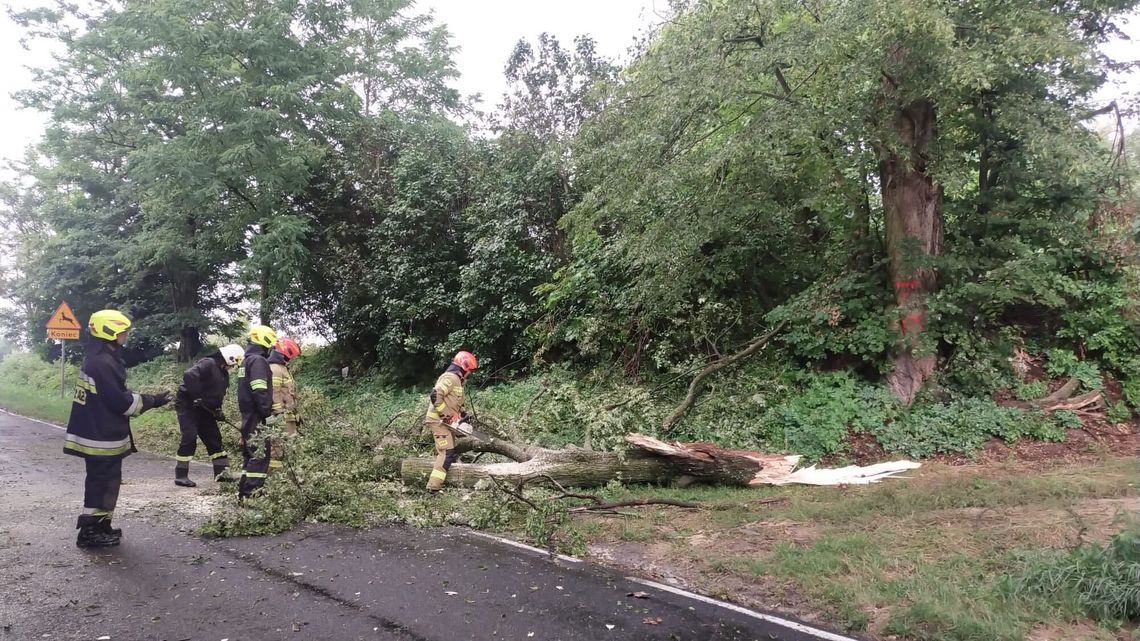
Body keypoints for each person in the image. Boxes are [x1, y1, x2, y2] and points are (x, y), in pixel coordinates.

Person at [65, 309, 172, 548]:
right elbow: (121, 402)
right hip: (99, 436)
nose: (126, 335)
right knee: (100, 482)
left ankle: (102, 525)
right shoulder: (102, 363)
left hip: (102, 432)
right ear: (109, 332)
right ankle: (89, 532)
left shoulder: (102, 358)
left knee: (109, 482)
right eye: (123, 331)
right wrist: (153, 401)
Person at [172, 344, 245, 487]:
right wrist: (196, 396)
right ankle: (181, 475)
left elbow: (217, 395)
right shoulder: (208, 363)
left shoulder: (223, 374)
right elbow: (189, 375)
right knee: (189, 437)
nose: (234, 366)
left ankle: (222, 474)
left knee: (214, 438)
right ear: (229, 358)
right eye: (234, 363)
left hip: (205, 408)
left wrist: (217, 410)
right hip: (188, 406)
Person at [423, 351, 478, 493]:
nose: (470, 373)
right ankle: (433, 488)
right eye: (469, 370)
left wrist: (463, 415)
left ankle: (449, 481)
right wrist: (445, 415)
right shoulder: (450, 378)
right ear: (463, 367)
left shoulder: (458, 381)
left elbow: (455, 402)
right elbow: (435, 395)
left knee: (451, 452)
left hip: (445, 422)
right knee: (446, 453)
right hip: (438, 421)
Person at [236, 325, 276, 499]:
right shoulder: (258, 361)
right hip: (257, 416)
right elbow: (259, 390)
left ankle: (244, 492)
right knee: (260, 456)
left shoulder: (247, 361)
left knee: (250, 456)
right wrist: (267, 413)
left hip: (248, 415)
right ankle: (252, 495)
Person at [267, 337, 301, 473]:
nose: (291, 360)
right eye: (291, 357)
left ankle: (288, 473)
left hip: (288, 415)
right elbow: (274, 392)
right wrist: (279, 413)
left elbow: (288, 392)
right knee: (278, 447)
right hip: (281, 416)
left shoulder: (283, 368)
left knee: (290, 445)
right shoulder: (275, 369)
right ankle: (275, 475)